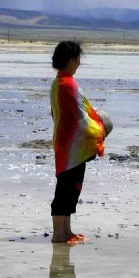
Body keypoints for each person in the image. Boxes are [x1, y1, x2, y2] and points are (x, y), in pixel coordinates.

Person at [50, 41, 106, 244]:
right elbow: (81, 119)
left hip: (67, 144)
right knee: (65, 190)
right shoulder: (67, 84)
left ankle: (66, 231)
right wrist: (100, 130)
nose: (79, 63)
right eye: (78, 59)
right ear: (72, 59)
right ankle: (58, 234)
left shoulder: (59, 82)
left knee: (70, 188)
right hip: (71, 147)